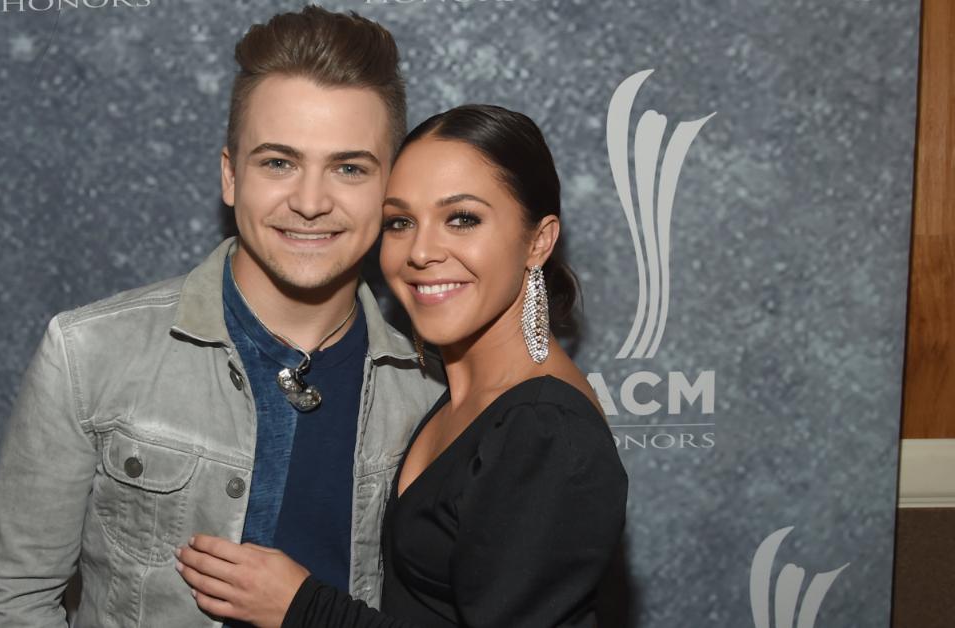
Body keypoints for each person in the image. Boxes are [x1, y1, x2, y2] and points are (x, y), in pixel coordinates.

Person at [0, 7, 444, 627]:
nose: (309, 202)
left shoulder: (431, 387)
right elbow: (14, 595)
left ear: (390, 190)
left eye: (349, 168)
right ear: (229, 175)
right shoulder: (91, 351)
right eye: (278, 162)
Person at [175, 105, 629, 628]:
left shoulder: (545, 429)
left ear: (539, 240)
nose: (421, 251)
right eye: (401, 222)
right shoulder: (458, 393)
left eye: (462, 219)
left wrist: (302, 608)